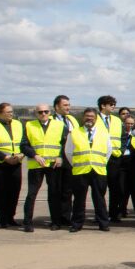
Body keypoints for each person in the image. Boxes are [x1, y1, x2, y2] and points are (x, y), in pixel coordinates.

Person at [21, 102, 67, 232]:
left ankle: (56, 222)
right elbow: (23, 145)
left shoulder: (59, 125)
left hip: (53, 165)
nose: (43, 114)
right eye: (40, 112)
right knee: (31, 194)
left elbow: (66, 144)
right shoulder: (29, 125)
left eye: (46, 111)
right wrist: (34, 155)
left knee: (54, 194)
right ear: (36, 113)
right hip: (36, 164)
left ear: (50, 112)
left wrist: (60, 157)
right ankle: (27, 222)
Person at [68, 108, 111, 232]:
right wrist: (77, 163)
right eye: (87, 116)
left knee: (99, 198)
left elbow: (108, 151)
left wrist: (100, 162)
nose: (89, 118)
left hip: (98, 170)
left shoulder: (104, 133)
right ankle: (77, 224)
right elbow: (69, 152)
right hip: (80, 170)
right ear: (83, 117)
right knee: (79, 199)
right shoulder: (74, 133)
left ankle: (103, 223)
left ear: (96, 119)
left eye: (92, 116)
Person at [0, 102, 25, 228]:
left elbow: (23, 142)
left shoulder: (18, 124)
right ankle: (3, 219)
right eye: (8, 112)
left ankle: (11, 217)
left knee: (15, 191)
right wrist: (5, 158)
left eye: (12, 112)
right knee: (0, 192)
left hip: (16, 162)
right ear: (0, 113)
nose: (11, 114)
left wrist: (21, 154)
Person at [96, 96, 126, 223]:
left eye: (114, 104)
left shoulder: (117, 120)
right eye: (111, 104)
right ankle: (100, 215)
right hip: (100, 157)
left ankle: (114, 214)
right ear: (103, 106)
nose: (114, 106)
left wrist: (121, 150)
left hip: (114, 158)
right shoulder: (94, 119)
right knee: (99, 188)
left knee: (115, 188)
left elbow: (123, 137)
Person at [52, 94, 79, 229]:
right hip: (56, 160)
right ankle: (56, 220)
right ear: (57, 107)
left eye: (69, 105)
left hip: (70, 160)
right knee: (56, 191)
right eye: (65, 105)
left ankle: (66, 217)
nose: (68, 107)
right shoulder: (50, 120)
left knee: (68, 191)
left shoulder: (72, 120)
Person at [119, 113, 135, 218]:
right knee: (122, 189)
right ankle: (122, 210)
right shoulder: (120, 134)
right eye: (127, 123)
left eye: (131, 124)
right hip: (122, 165)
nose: (129, 125)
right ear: (124, 123)